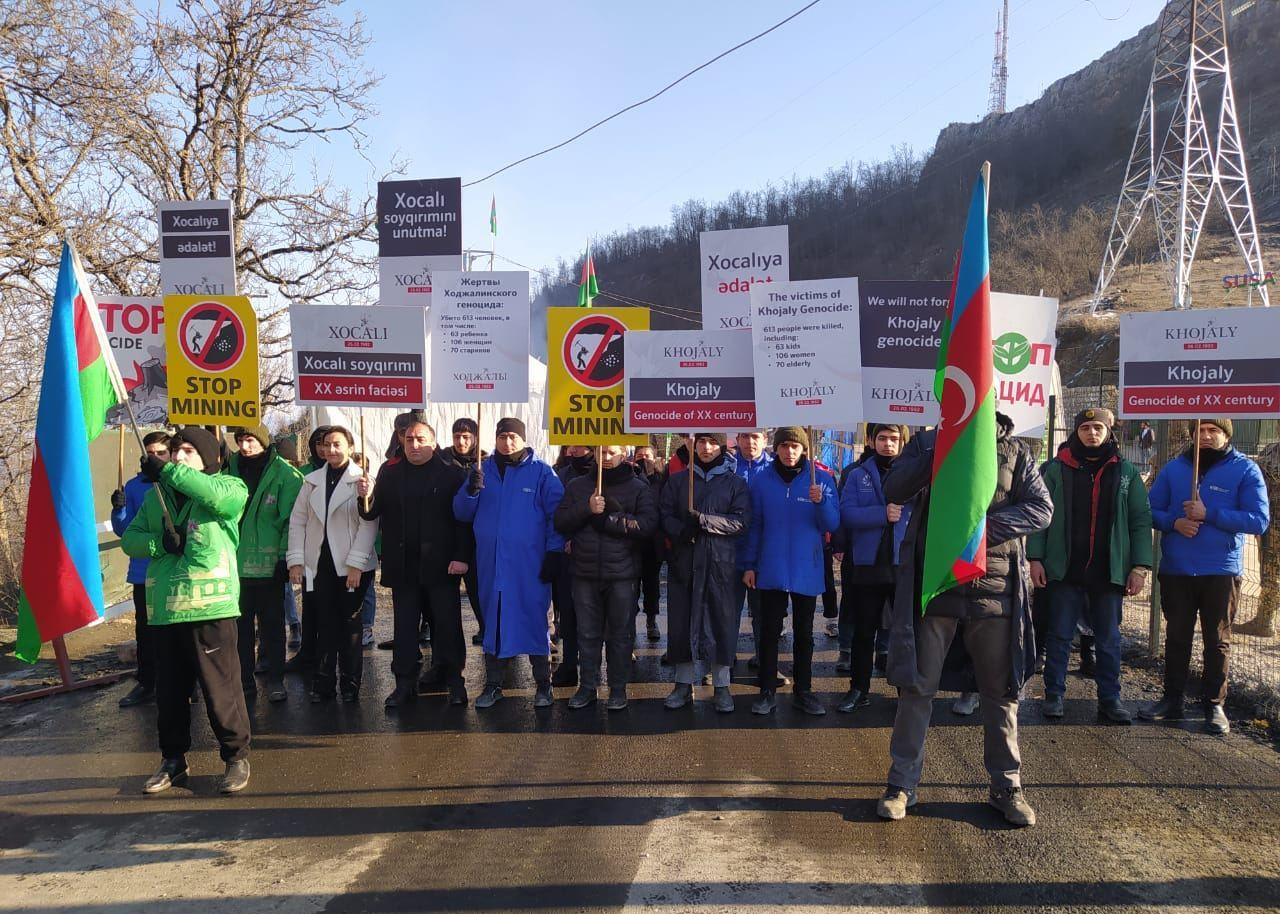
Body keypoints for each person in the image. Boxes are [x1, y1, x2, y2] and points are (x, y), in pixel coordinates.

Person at [877, 413, 1052, 827]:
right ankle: (902, 785)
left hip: (995, 593)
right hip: (934, 588)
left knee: (1000, 693)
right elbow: (894, 488)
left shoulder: (1013, 451)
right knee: (916, 689)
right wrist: (939, 448)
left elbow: (1041, 509)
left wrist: (979, 530)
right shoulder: (925, 444)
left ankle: (1006, 785)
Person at [121, 427, 251, 794]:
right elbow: (131, 540)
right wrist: (158, 543)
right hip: (165, 611)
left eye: (188, 451)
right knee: (170, 694)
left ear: (210, 459)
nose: (178, 458)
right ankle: (173, 760)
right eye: (174, 452)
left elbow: (210, 493)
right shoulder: (156, 498)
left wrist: (166, 470)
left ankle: (236, 757)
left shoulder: (228, 488)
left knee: (220, 691)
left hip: (211, 610)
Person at [1141, 419, 1269, 734]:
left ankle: (1213, 705)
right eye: (1201, 431)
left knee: (1217, 640)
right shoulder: (1174, 469)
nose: (1207, 436)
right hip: (1177, 569)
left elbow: (1258, 520)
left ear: (1226, 435)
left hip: (1221, 570)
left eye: (1215, 431)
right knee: (1177, 637)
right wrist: (1174, 523)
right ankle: (1171, 700)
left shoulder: (1245, 470)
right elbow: (1148, 510)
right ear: (1193, 434)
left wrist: (1209, 514)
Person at [1028, 408, 1152, 724]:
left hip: (1109, 571)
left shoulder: (1126, 472)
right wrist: (1036, 558)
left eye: (1098, 428)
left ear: (1108, 432)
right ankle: (1054, 695)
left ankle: (1110, 699)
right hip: (1064, 569)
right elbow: (1040, 518)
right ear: (1076, 432)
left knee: (1108, 638)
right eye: (1085, 428)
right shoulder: (1056, 469)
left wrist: (1139, 566)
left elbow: (1140, 520)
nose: (1091, 434)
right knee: (1059, 634)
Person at [358, 418, 472, 709]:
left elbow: (462, 521)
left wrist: (461, 557)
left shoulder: (451, 473)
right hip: (403, 566)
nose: (414, 445)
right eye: (409, 440)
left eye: (421, 439)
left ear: (433, 443)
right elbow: (372, 514)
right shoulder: (390, 471)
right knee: (405, 629)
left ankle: (454, 681)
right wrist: (365, 497)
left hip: (442, 566)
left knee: (447, 626)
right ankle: (404, 684)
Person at [453, 418, 564, 709]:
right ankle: (493, 685)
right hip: (491, 564)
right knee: (495, 623)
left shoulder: (541, 472)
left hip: (529, 565)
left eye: (513, 436)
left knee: (535, 620)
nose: (507, 442)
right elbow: (462, 512)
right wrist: (471, 491)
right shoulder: (482, 469)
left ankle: (543, 685)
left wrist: (554, 552)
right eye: (502, 436)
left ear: (523, 439)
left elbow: (557, 515)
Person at [741, 427, 839, 716]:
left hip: (806, 568)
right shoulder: (761, 481)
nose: (789, 451)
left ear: (804, 450)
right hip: (770, 567)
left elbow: (832, 524)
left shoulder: (821, 480)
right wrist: (749, 564)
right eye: (784, 445)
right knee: (769, 632)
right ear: (776, 448)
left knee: (805, 634)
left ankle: (804, 691)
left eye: (795, 446)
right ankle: (767, 690)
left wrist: (821, 502)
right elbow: (755, 525)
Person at [554, 444, 659, 710]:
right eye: (602, 452)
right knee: (587, 634)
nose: (606, 457)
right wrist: (587, 509)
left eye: (612, 452)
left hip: (622, 574)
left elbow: (647, 525)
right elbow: (561, 521)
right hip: (584, 572)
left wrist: (610, 520)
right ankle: (587, 686)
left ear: (624, 453)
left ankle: (617, 688)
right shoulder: (578, 486)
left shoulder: (638, 487)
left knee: (620, 635)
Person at [658, 432, 750, 712]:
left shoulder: (735, 483)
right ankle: (683, 684)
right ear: (693, 444)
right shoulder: (677, 481)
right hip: (685, 563)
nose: (706, 448)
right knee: (681, 624)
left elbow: (740, 521)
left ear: (721, 444)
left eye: (712, 442)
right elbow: (664, 515)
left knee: (720, 625)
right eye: (701, 442)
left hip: (720, 565)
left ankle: (722, 686)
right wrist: (681, 530)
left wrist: (704, 521)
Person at [286, 426, 378, 702]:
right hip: (319, 565)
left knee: (350, 627)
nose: (331, 450)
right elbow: (298, 522)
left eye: (337, 444)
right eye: (326, 445)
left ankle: (350, 685)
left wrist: (356, 564)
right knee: (323, 626)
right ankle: (323, 683)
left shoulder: (362, 481)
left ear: (350, 447)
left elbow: (369, 524)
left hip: (351, 566)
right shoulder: (311, 481)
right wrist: (296, 561)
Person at [225, 424, 303, 703]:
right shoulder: (227, 470)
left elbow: (291, 521)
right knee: (240, 628)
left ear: (263, 441)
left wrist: (285, 556)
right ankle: (245, 681)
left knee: (272, 626)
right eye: (240, 441)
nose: (245, 446)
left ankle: (275, 679)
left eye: (250, 440)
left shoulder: (285, 474)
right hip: (234, 563)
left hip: (269, 563)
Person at [837, 424, 911, 713]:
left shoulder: (914, 476)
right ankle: (858, 688)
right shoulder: (857, 475)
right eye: (882, 438)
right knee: (864, 631)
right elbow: (847, 513)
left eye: (894, 439)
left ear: (902, 442)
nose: (888, 444)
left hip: (903, 564)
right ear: (871, 441)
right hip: (868, 565)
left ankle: (906, 689)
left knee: (904, 632)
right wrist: (882, 514)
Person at [111, 431, 172, 707]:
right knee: (145, 630)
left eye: (162, 452)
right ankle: (147, 682)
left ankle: (184, 681)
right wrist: (119, 510)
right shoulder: (134, 487)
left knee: (177, 629)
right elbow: (125, 531)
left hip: (173, 568)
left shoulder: (178, 484)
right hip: (143, 572)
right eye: (151, 452)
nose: (156, 457)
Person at [283, 425, 332, 672]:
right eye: (319, 444)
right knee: (311, 607)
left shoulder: (348, 473)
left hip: (336, 556)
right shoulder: (302, 475)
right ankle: (308, 653)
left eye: (329, 444)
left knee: (332, 611)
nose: (324, 450)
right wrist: (296, 558)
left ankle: (328, 657)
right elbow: (296, 518)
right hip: (312, 553)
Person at [549, 444, 596, 686]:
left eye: (581, 446)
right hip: (569, 555)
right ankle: (569, 664)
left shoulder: (613, 476)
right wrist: (567, 538)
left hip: (604, 556)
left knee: (599, 614)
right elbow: (558, 515)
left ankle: (595, 671)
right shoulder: (562, 475)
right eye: (572, 445)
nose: (574, 450)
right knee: (569, 611)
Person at [438, 417, 487, 646]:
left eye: (466, 437)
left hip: (476, 538)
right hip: (447, 534)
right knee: (445, 597)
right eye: (457, 436)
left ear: (475, 438)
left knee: (478, 591)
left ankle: (486, 628)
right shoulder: (442, 461)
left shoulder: (485, 462)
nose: (461, 441)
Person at [733, 430, 773, 670]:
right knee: (728, 613)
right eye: (745, 436)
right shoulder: (727, 468)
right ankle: (723, 661)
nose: (750, 442)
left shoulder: (774, 471)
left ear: (765, 440)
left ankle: (765, 660)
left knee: (764, 615)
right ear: (737, 439)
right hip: (730, 554)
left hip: (763, 555)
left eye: (756, 436)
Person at [632, 444, 664, 642]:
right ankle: (630, 624)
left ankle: (651, 620)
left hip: (654, 542)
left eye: (648, 456)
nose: (644, 459)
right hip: (634, 541)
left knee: (651, 585)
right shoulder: (630, 478)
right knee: (631, 586)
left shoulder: (662, 480)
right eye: (640, 456)